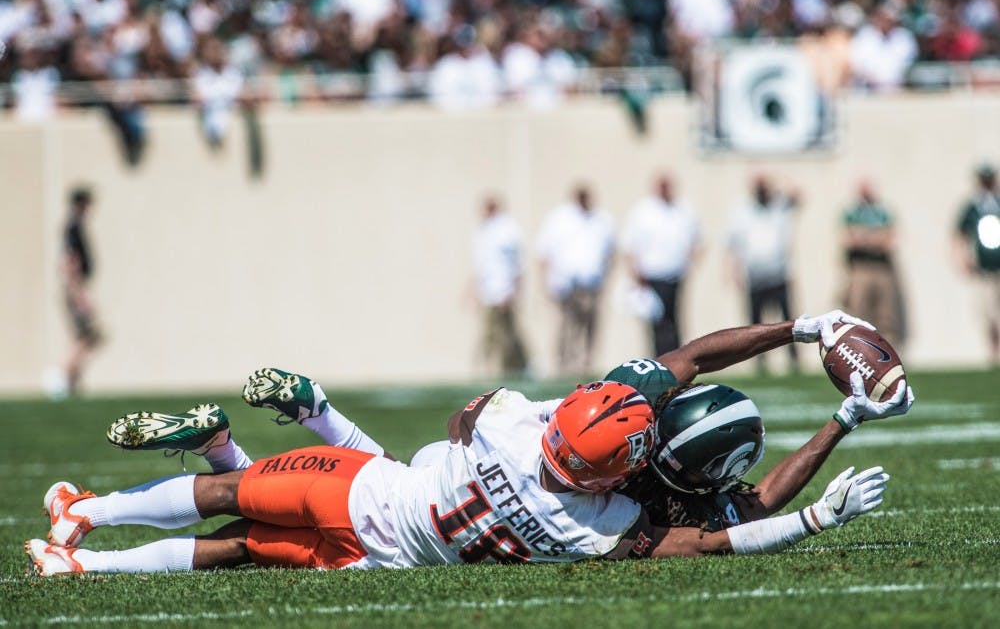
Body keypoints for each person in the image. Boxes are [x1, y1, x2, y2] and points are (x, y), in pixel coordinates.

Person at [26, 310, 910, 574]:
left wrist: (800, 326)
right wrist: (821, 500)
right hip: (391, 543)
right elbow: (724, 532)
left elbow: (465, 421)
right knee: (240, 536)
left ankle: (89, 517)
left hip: (382, 501)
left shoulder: (519, 414)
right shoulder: (589, 527)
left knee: (241, 515)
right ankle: (84, 539)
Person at [537, 185, 615, 375]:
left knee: (589, 326)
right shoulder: (559, 219)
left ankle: (586, 363)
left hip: (590, 284)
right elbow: (544, 252)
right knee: (566, 326)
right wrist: (546, 282)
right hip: (566, 284)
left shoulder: (601, 220)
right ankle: (564, 364)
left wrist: (605, 279)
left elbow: (611, 252)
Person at [726, 175, 800, 374]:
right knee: (756, 323)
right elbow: (733, 244)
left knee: (787, 323)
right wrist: (733, 272)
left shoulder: (779, 206)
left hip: (778, 274)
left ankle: (794, 360)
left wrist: (775, 182)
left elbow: (798, 193)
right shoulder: (742, 210)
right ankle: (759, 362)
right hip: (755, 276)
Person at [621, 174, 700, 355]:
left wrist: (689, 266)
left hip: (674, 276)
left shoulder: (683, 210)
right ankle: (659, 360)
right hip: (651, 278)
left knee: (674, 321)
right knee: (656, 323)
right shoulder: (642, 211)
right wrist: (635, 273)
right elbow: (629, 246)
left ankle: (677, 359)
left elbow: (698, 241)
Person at [841, 181, 906, 349]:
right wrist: (874, 236)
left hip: (882, 269)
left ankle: (888, 353)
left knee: (886, 315)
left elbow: (888, 240)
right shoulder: (852, 213)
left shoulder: (882, 213)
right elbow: (849, 240)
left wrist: (863, 236)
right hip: (860, 269)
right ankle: (859, 351)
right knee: (858, 313)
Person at [473, 196, 528, 376]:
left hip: (503, 291)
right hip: (488, 292)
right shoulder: (484, 230)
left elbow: (516, 264)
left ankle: (509, 369)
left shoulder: (507, 230)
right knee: (488, 334)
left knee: (506, 336)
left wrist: (513, 290)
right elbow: (481, 265)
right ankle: (487, 368)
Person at [954, 163, 1000, 365]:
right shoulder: (973, 207)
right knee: (988, 313)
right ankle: (994, 353)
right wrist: (963, 258)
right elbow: (960, 234)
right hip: (983, 270)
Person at [62, 187, 102, 396]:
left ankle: (72, 383)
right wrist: (80, 294)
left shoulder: (75, 227)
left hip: (77, 287)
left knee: (88, 336)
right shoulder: (73, 228)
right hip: (75, 289)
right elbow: (71, 263)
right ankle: (63, 379)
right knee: (84, 337)